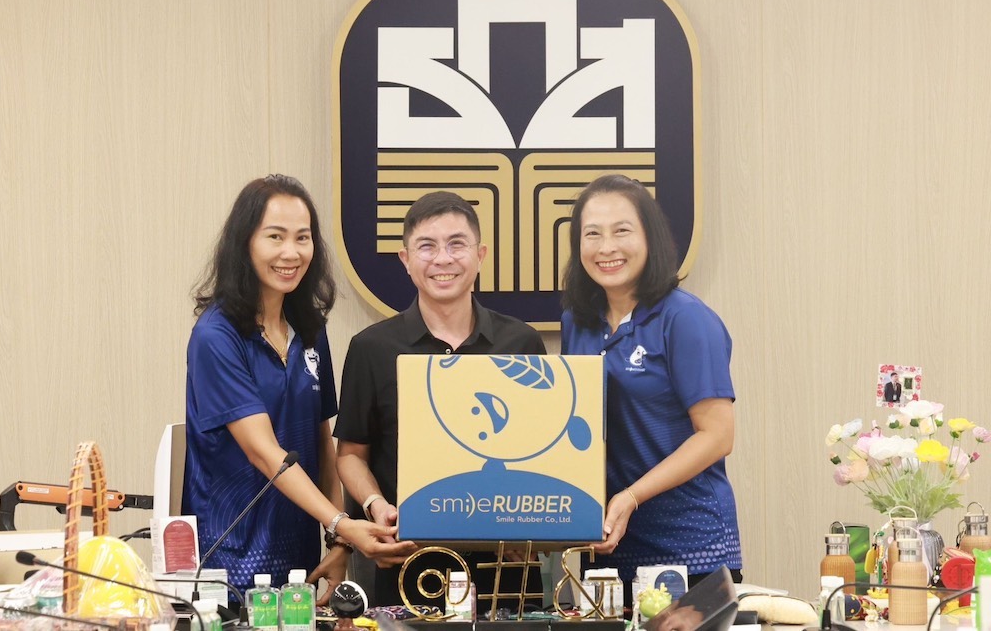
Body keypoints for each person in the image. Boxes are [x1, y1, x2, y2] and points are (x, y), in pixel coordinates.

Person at [183, 174, 415, 598]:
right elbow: (264, 452)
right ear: (244, 243)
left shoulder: (309, 329)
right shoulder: (216, 336)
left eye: (302, 238)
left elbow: (321, 440)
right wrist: (342, 522)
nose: (291, 253)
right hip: (230, 562)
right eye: (275, 236)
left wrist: (339, 541)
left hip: (300, 557)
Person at [334, 191, 547, 611]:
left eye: (456, 244)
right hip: (408, 565)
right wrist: (376, 505)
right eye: (427, 246)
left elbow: (543, 452)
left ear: (480, 255)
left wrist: (534, 524)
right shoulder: (371, 348)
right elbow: (351, 454)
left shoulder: (522, 343)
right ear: (405, 259)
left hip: (507, 567)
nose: (443, 259)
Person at [560, 174, 742, 601]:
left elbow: (717, 435)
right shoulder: (577, 322)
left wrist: (631, 497)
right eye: (592, 234)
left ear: (650, 238)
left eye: (622, 231)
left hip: (689, 546)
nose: (606, 247)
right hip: (607, 543)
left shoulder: (685, 318)